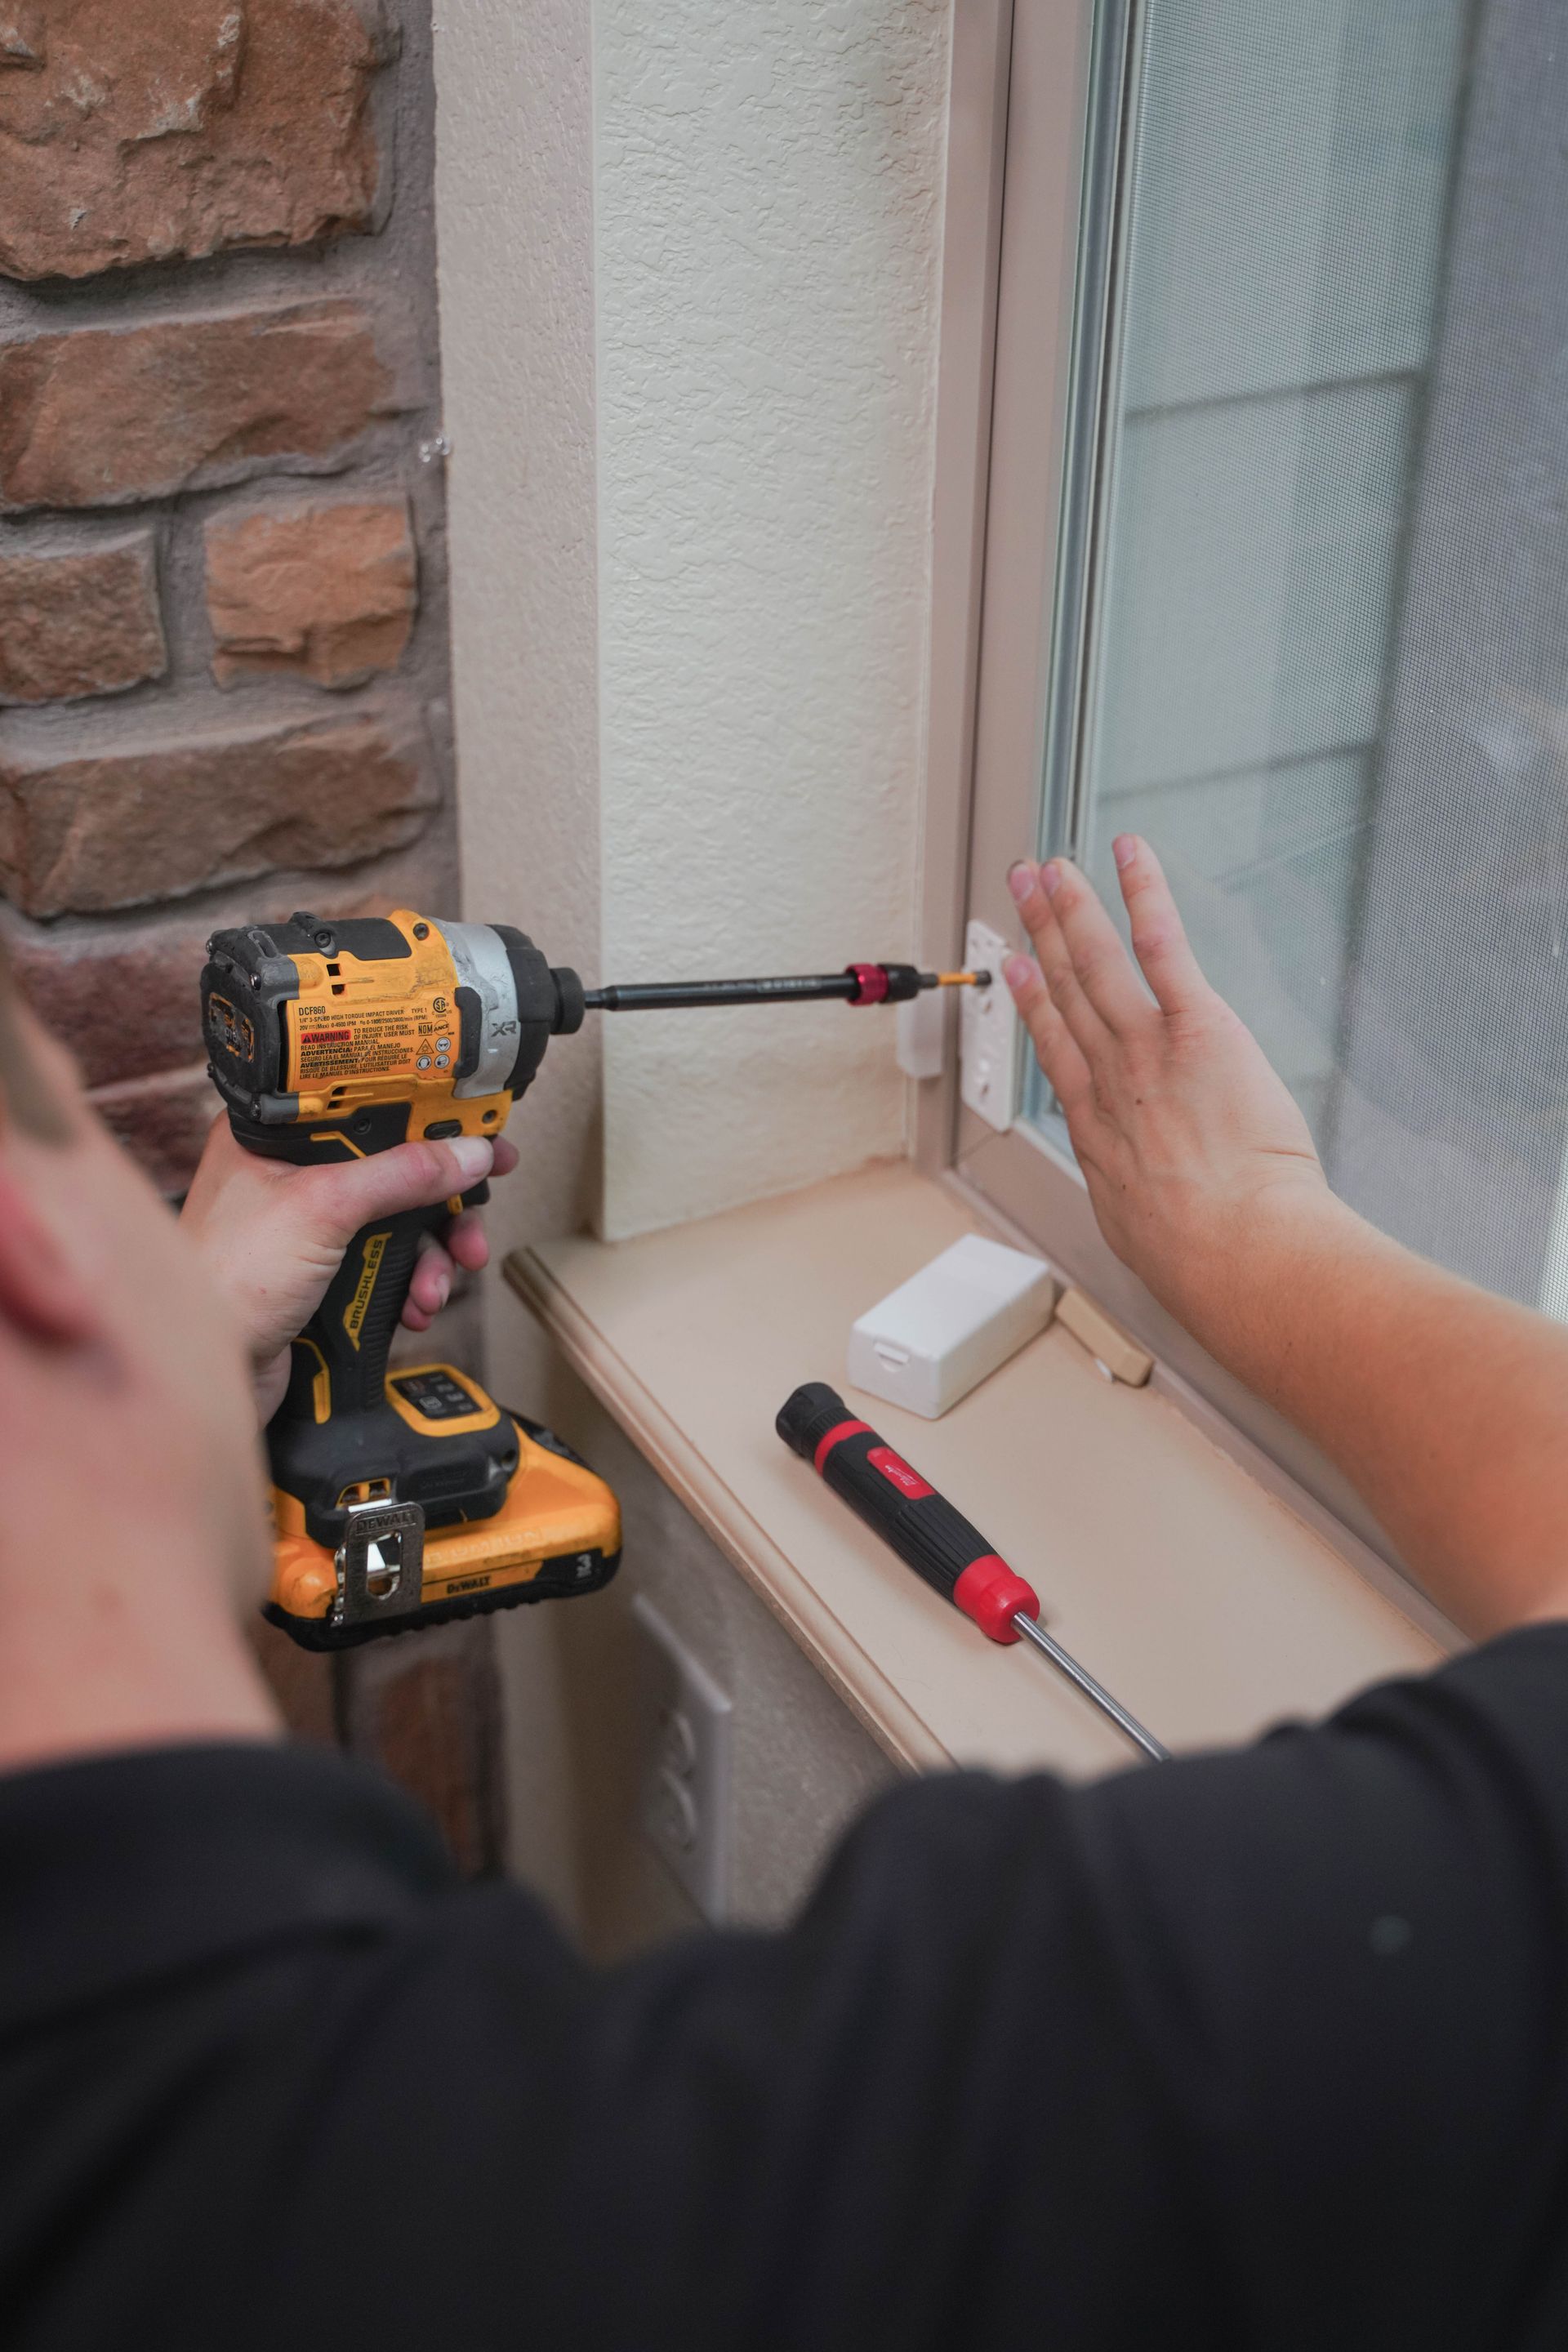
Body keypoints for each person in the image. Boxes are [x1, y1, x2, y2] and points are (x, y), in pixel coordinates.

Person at [2, 840, 1567, 2350]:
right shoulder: (930, 2115)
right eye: (86, 1131)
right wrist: (1253, 1231)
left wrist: (205, 1328)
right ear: (30, 1254)